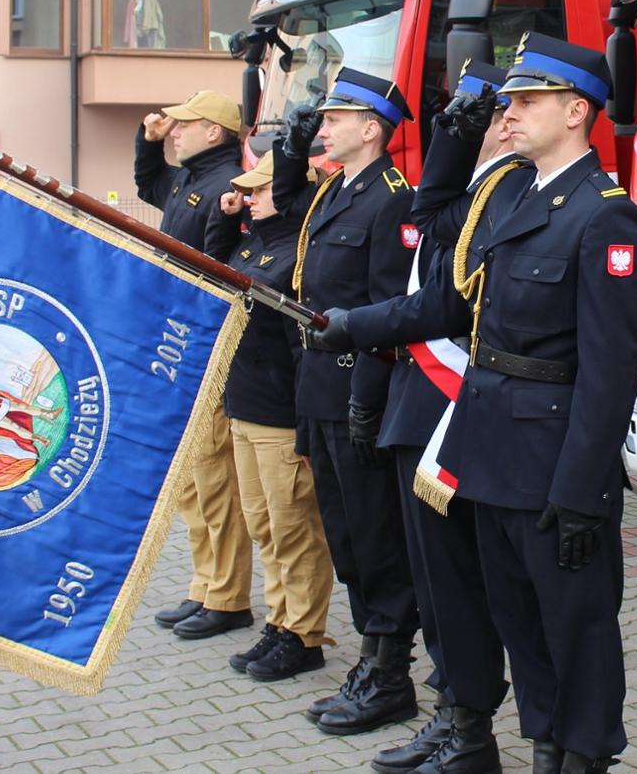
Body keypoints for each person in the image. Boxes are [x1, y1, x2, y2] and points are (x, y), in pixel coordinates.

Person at [312, 35, 637, 774]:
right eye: (511, 100)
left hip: (552, 457)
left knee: (575, 629)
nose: (510, 111)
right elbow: (446, 301)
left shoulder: (604, 217)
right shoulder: (515, 198)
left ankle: (583, 756)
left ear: (574, 111)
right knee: (520, 625)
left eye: (527, 101)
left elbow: (610, 371)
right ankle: (543, 750)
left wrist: (584, 490)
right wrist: (349, 324)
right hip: (488, 447)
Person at [369, 61, 523, 774]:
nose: (464, 126)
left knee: (459, 587)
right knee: (436, 587)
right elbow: (429, 216)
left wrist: (453, 142)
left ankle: (470, 732)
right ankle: (452, 715)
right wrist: (453, 136)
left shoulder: (508, 191)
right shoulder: (475, 186)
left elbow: (427, 217)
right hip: (418, 400)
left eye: (478, 112)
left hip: (454, 406)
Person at [271, 67, 423, 736]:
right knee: (346, 536)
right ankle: (370, 660)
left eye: (335, 118)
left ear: (372, 129)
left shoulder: (392, 198)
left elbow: (389, 311)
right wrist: (288, 146)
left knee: (375, 537)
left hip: (356, 390)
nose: (323, 126)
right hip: (319, 391)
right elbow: (284, 202)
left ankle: (390, 675)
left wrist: (367, 399)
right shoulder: (336, 189)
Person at [136, 89, 254, 640]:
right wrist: (149, 139)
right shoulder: (188, 180)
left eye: (186, 125)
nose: (174, 133)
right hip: (178, 345)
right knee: (191, 482)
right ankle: (205, 584)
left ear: (215, 133)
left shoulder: (226, 186)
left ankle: (228, 596)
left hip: (206, 349)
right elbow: (147, 183)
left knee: (214, 478)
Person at [214, 153, 336, 683]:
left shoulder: (295, 255)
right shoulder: (253, 242)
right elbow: (211, 273)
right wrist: (224, 218)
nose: (249, 198)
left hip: (280, 415)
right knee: (264, 526)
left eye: (259, 190)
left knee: (294, 529)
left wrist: (305, 422)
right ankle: (279, 620)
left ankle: (304, 634)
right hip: (244, 406)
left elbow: (301, 348)